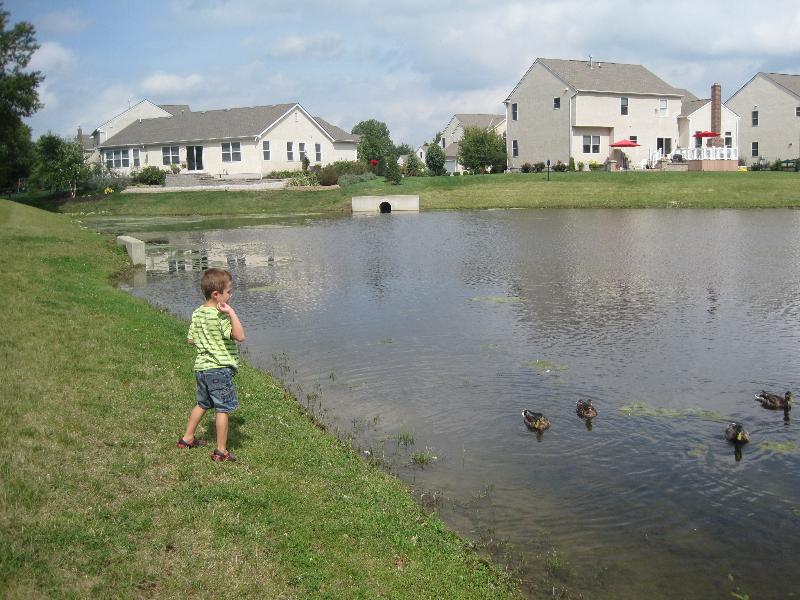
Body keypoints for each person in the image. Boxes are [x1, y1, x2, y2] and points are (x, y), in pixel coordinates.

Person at [177, 268, 246, 462]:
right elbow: (240, 336)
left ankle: (187, 438)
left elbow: (190, 340)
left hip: (201, 369)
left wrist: (207, 339)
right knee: (222, 409)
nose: (231, 295)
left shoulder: (197, 313)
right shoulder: (221, 315)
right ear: (216, 294)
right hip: (218, 370)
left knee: (202, 403)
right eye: (229, 292)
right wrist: (231, 312)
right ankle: (221, 451)